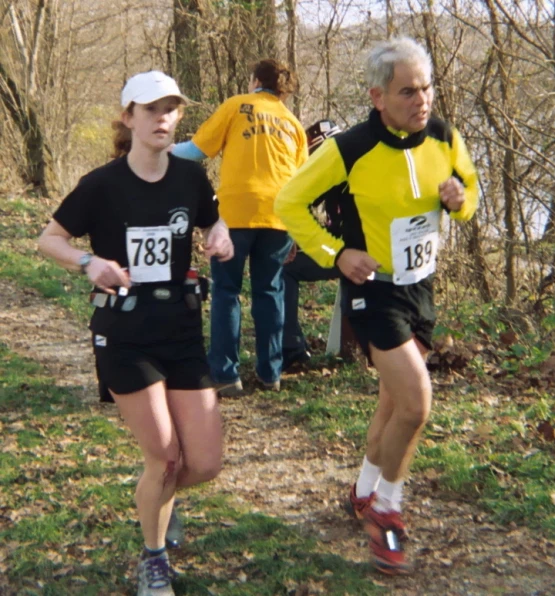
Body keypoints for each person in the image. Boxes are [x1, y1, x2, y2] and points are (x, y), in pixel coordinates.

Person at [276, 38, 479, 574]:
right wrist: (335, 253)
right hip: (373, 291)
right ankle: (386, 511)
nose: (423, 100)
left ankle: (364, 490)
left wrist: (461, 201)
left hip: (420, 287)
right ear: (378, 96)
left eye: (427, 87)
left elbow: (470, 187)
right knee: (415, 404)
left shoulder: (444, 136)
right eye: (408, 90)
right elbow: (288, 202)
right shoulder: (350, 147)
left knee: (392, 406)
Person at [38, 71, 233, 595]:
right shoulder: (102, 184)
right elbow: (49, 239)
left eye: (171, 109)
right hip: (124, 333)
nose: (163, 119)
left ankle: (156, 500)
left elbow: (212, 221)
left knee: (206, 462)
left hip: (182, 331)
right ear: (129, 118)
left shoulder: (191, 178)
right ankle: (153, 556)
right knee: (166, 458)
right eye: (151, 109)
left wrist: (219, 233)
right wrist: (88, 261)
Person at [172, 59, 308, 396]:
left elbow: (197, 150)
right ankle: (270, 372)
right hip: (278, 216)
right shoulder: (293, 124)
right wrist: (297, 228)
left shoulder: (236, 106)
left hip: (234, 215)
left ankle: (225, 374)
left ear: (254, 81)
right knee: (270, 291)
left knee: (226, 291)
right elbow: (303, 181)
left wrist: (163, 149)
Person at [282, 119, 343, 370]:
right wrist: (293, 237)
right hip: (340, 250)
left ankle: (292, 350)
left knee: (286, 269)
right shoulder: (326, 177)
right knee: (286, 265)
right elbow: (298, 204)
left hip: (363, 252)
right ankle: (293, 349)